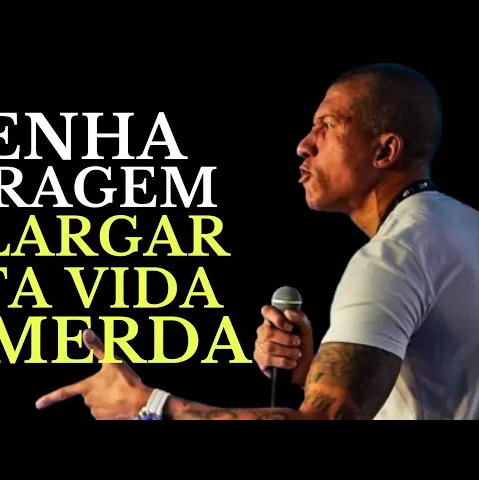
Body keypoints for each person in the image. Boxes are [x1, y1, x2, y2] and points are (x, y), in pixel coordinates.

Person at [35, 63, 479, 420]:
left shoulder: (392, 258)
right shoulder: (463, 226)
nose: (304, 145)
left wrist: (149, 405)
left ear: (385, 151)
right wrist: (312, 372)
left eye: (327, 125)